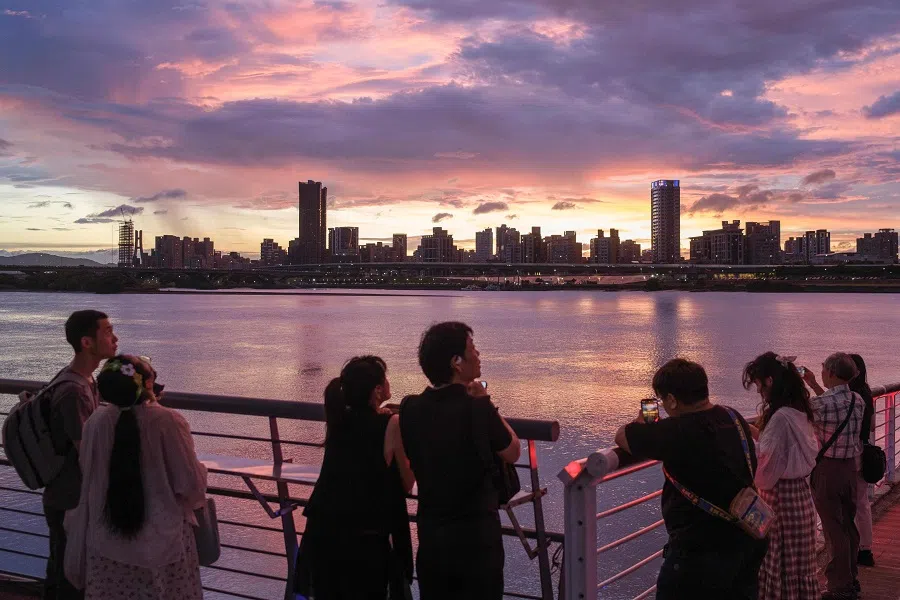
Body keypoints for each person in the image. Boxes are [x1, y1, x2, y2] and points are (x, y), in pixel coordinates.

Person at [614, 358, 767, 600]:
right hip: (746, 539)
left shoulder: (676, 430)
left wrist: (641, 421)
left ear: (672, 400)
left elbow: (623, 436)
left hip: (699, 552)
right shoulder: (733, 416)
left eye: (664, 400)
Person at [64, 356, 208, 600]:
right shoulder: (168, 421)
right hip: (162, 545)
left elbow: (87, 473)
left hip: (105, 542)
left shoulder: (96, 422)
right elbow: (191, 484)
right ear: (148, 385)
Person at [399, 322, 520, 600]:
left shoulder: (410, 408)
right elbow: (512, 451)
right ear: (456, 362)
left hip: (431, 538)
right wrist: (485, 401)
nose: (478, 355)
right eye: (472, 349)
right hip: (476, 541)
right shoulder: (476, 407)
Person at [294, 356, 415, 600]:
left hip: (323, 536)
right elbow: (407, 482)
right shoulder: (391, 423)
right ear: (378, 389)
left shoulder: (339, 419)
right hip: (364, 544)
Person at [43, 310, 118, 600]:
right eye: (108, 331)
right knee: (67, 580)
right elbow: (87, 452)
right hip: (69, 500)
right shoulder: (75, 391)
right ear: (87, 342)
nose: (115, 337)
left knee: (67, 572)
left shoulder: (81, 380)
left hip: (71, 498)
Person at [743, 353, 819, 600]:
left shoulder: (779, 419)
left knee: (777, 566)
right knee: (799, 569)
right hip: (801, 499)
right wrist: (756, 433)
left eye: (758, 384)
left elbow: (766, 469)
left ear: (770, 381)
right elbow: (784, 451)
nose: (758, 391)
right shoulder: (798, 412)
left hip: (780, 502)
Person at [800, 352, 864, 600]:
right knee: (848, 524)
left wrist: (806, 386)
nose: (822, 371)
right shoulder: (857, 400)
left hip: (827, 470)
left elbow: (809, 412)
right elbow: (831, 406)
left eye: (824, 368)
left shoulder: (820, 405)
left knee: (833, 528)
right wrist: (815, 384)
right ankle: (851, 577)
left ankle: (839, 586)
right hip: (849, 469)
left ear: (833, 373)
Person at [849, 353, 875, 567]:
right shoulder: (866, 392)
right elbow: (872, 425)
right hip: (864, 449)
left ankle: (859, 548)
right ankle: (865, 548)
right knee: (862, 503)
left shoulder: (853, 395)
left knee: (854, 502)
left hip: (853, 452)